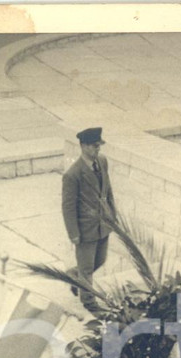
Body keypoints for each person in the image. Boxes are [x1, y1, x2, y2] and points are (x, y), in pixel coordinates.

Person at [61, 127, 116, 312]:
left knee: (99, 260)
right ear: (83, 146)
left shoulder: (102, 162)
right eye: (94, 146)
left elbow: (108, 191)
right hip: (85, 229)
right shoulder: (73, 174)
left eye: (99, 145)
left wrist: (112, 216)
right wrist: (73, 234)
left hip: (103, 225)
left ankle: (73, 275)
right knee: (87, 269)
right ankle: (89, 302)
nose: (98, 149)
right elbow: (68, 207)